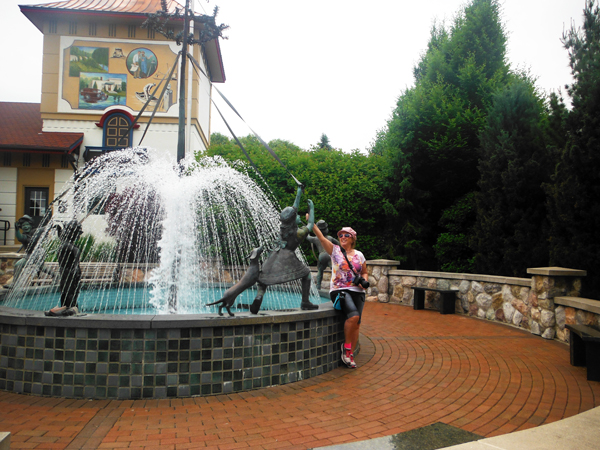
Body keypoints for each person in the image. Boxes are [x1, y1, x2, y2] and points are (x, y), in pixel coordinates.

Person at [310, 223, 369, 369]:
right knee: (353, 317)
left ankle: (350, 355)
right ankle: (346, 349)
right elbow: (322, 238)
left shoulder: (359, 255)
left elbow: (364, 272)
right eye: (340, 235)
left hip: (358, 292)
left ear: (352, 238)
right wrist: (313, 225)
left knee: (357, 324)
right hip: (339, 290)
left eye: (346, 235)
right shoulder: (335, 251)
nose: (342, 237)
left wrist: (365, 281)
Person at [45, 220, 83, 316]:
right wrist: (58, 228)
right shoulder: (66, 243)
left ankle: (72, 309)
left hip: (71, 272)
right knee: (65, 291)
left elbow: (76, 255)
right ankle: (66, 308)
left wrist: (74, 267)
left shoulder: (70, 246)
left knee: (70, 292)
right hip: (65, 272)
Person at [306, 220, 338, 289]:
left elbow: (308, 237)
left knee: (320, 270)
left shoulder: (315, 239)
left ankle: (318, 285)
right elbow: (338, 244)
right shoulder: (330, 238)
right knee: (333, 269)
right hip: (330, 255)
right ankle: (336, 284)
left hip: (322, 256)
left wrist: (307, 230)